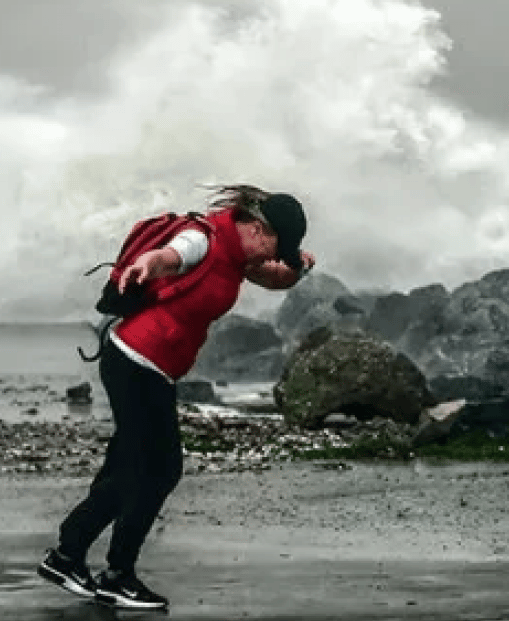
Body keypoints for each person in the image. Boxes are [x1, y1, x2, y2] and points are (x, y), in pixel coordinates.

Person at [37, 184, 315, 610]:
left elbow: (276, 278)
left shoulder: (239, 256)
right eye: (279, 245)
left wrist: (299, 268)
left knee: (131, 467)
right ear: (259, 229)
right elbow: (172, 255)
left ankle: (69, 557)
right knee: (156, 470)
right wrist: (151, 262)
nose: (275, 256)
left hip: (151, 367)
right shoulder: (203, 240)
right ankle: (113, 573)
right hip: (135, 362)